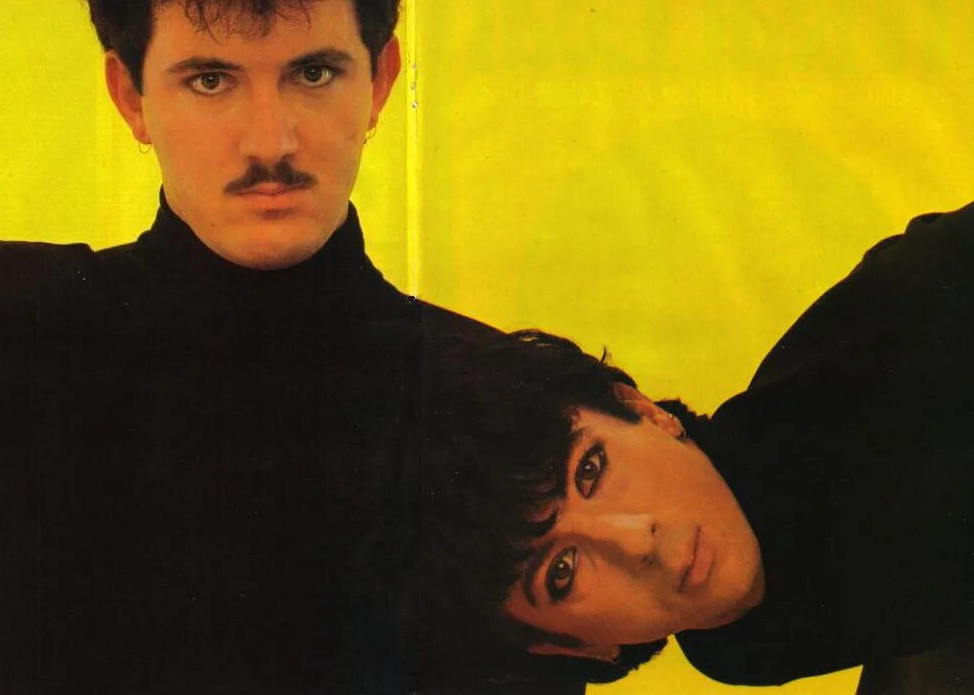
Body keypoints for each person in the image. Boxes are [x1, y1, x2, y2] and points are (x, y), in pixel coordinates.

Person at [0, 0, 499, 692]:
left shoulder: (509, 402)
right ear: (130, 96)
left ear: (381, 81)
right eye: (210, 80)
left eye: (314, 73)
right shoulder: (7, 332)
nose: (270, 143)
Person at [408, 201, 974, 692]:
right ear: (577, 647)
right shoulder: (730, 644)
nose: (635, 542)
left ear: (645, 413)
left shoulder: (898, 329)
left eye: (591, 470)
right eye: (562, 572)